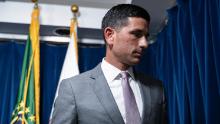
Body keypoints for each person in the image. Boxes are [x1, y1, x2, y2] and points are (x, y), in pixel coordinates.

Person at [51, 4, 167, 124]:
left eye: (146, 37)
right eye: (136, 34)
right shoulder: (73, 88)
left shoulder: (157, 88)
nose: (144, 44)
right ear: (110, 35)